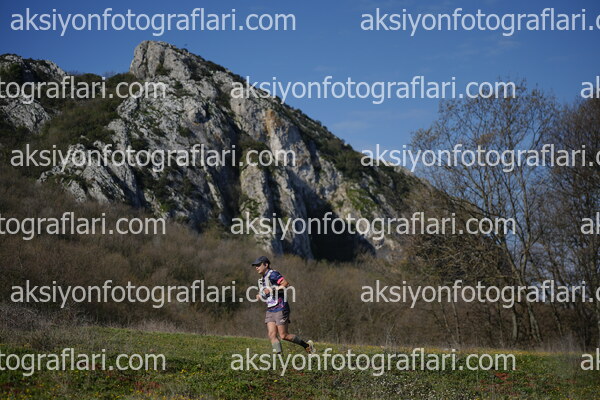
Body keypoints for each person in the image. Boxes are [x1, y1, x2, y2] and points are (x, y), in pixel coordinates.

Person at [252, 256, 315, 354]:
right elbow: (265, 292)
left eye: (258, 265)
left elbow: (285, 284)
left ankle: (307, 345)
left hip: (280, 307)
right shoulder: (262, 279)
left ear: (266, 265)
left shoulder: (273, 274)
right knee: (272, 335)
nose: (256, 267)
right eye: (255, 265)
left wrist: (272, 289)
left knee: (283, 335)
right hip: (270, 309)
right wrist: (260, 295)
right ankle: (279, 357)